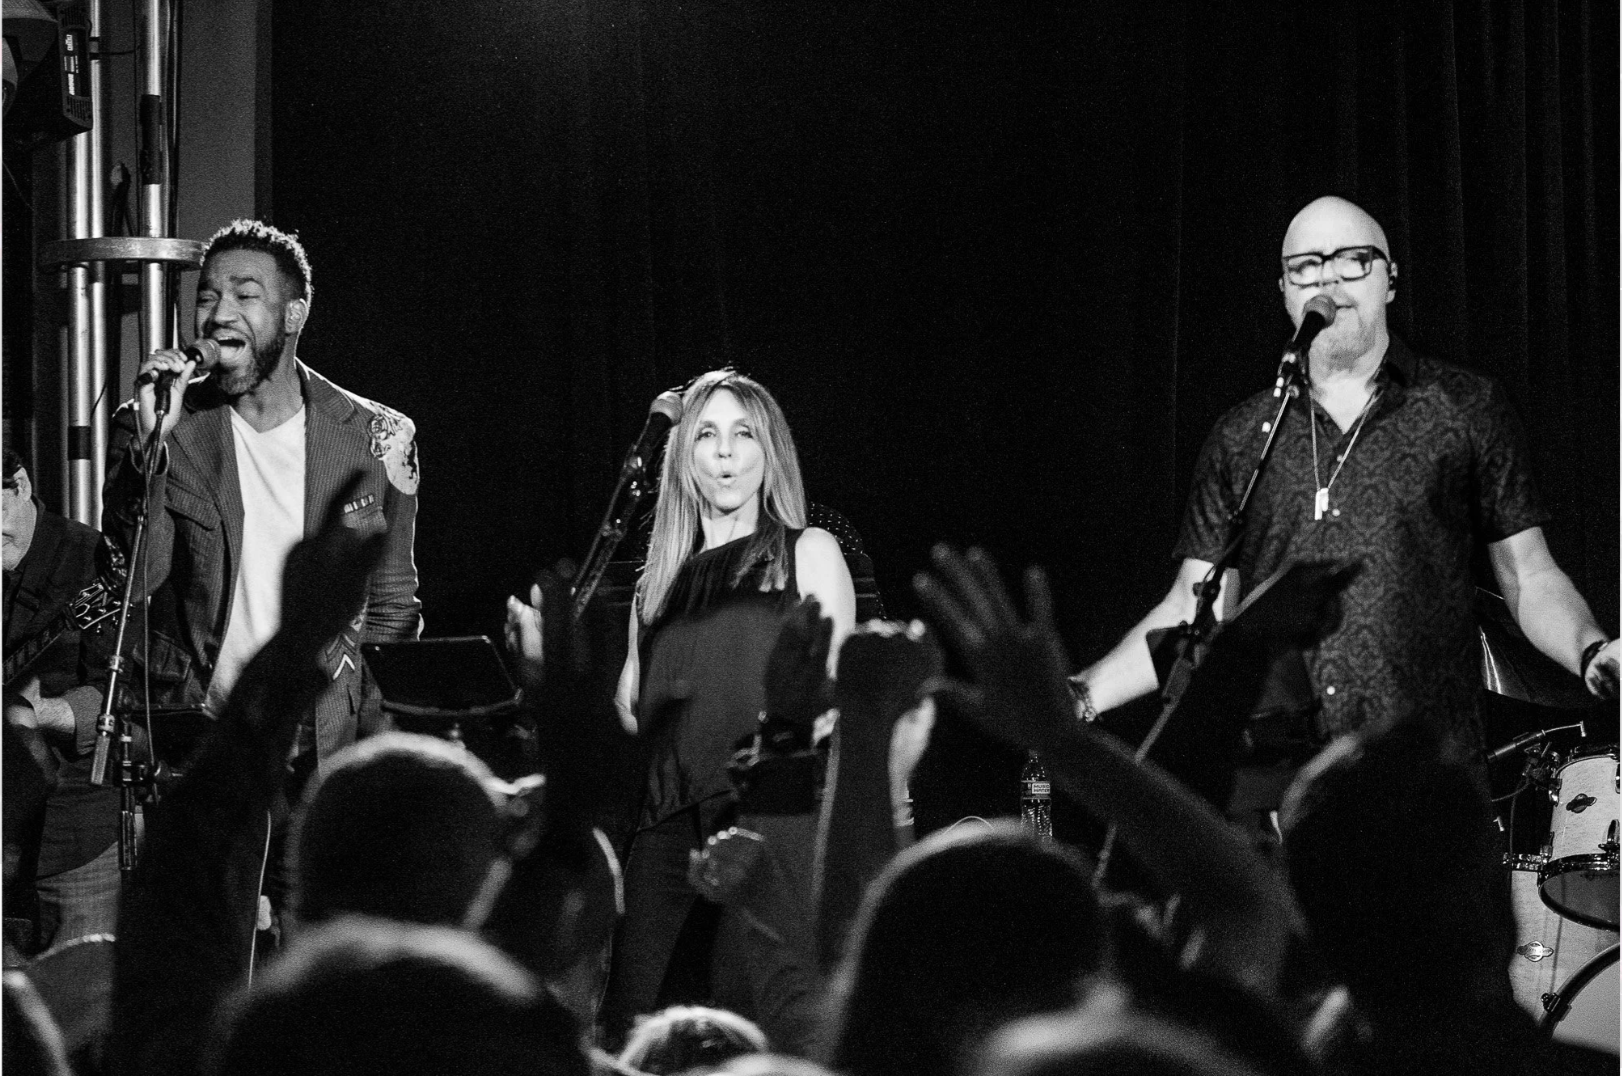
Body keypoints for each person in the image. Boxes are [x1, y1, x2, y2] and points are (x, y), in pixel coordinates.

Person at [1071, 195, 1618, 758]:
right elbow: (1196, 608)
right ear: (1284, 290)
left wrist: (1589, 648)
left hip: (1428, 769)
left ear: (1390, 280)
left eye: (1352, 259)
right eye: (1305, 265)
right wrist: (1082, 695)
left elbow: (1529, 578)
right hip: (1283, 789)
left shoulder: (1465, 407)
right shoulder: (1243, 435)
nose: (1327, 279)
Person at [102, 218, 422, 767]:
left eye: (245, 295)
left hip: (324, 745)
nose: (220, 313)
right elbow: (137, 577)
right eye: (208, 297)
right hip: (198, 739)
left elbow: (392, 603)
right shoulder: (156, 426)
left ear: (294, 314)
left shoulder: (379, 437)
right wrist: (154, 445)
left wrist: (371, 738)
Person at [602, 369, 856, 1042]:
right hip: (666, 826)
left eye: (743, 434)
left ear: (769, 450)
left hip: (762, 818)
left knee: (747, 1019)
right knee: (636, 1023)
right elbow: (631, 707)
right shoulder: (656, 584)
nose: (724, 452)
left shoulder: (807, 552)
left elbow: (833, 697)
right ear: (683, 454)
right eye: (707, 434)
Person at [2, 445, 118, 952]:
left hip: (70, 841)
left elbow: (125, 692)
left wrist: (39, 712)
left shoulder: (92, 560)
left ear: (21, 485)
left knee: (76, 1012)